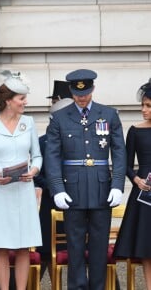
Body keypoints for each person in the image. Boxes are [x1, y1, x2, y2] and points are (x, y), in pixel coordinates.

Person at [44, 69, 127, 290]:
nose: (82, 97)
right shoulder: (60, 118)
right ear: (71, 91)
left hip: (101, 187)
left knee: (100, 246)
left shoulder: (108, 115)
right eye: (78, 93)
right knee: (75, 245)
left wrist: (118, 184)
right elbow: (52, 156)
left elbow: (119, 152)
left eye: (86, 92)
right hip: (72, 189)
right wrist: (57, 188)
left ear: (92, 89)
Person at [0, 71, 42, 290]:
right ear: (8, 101)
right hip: (0, 189)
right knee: (1, 245)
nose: (25, 102)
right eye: (21, 99)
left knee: (24, 246)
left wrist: (33, 170)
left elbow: (38, 155)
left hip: (24, 189)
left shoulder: (29, 122)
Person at [114, 80, 151, 289]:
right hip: (143, 195)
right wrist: (136, 180)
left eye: (148, 106)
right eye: (142, 105)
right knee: (146, 245)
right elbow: (125, 164)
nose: (143, 110)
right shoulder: (135, 130)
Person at [34, 79, 73, 281]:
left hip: (74, 199)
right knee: (45, 250)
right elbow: (36, 171)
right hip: (50, 201)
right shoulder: (43, 141)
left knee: (76, 249)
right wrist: (50, 185)